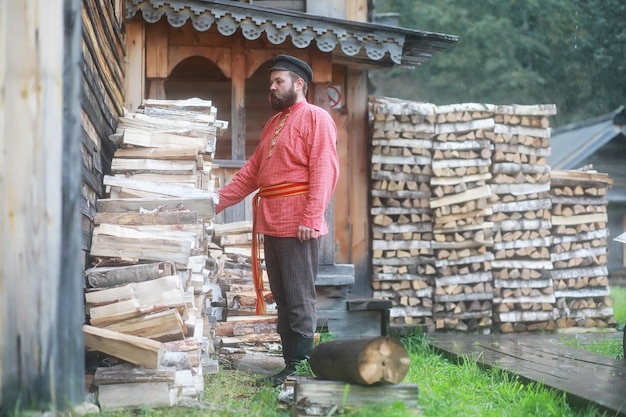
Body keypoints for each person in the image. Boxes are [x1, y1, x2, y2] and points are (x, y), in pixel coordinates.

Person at [215, 54, 340, 386]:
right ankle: (290, 365)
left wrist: (312, 217)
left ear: (299, 84)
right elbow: (250, 174)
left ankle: (300, 366)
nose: (271, 87)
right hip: (271, 222)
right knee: (283, 298)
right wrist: (214, 202)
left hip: (299, 224)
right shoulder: (273, 124)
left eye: (278, 81)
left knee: (299, 297)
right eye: (271, 82)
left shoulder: (317, 118)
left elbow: (325, 171)